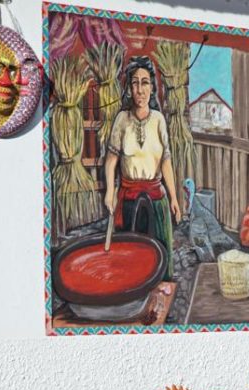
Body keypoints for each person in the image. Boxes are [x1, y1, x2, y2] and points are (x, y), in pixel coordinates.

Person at [103, 56, 182, 279]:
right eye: (135, 82)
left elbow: (166, 160)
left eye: (145, 82)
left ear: (152, 87)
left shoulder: (158, 120)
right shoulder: (122, 120)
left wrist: (174, 198)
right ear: (129, 88)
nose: (140, 89)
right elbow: (111, 160)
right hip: (128, 198)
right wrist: (110, 191)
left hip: (157, 198)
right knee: (131, 257)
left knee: (160, 254)